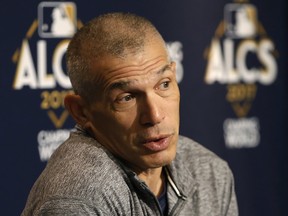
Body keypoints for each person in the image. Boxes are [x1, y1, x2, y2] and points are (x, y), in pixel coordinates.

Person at [21, 12, 238, 215]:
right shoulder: (78, 198)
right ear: (81, 111)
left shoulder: (210, 173)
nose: (154, 116)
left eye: (163, 84)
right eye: (127, 98)